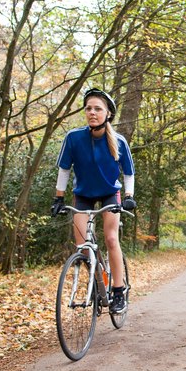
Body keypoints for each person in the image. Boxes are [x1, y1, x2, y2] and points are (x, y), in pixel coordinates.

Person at [50, 88, 136, 314]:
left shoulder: (118, 141)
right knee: (83, 247)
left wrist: (129, 197)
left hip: (110, 193)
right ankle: (97, 284)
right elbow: (64, 169)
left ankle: (118, 291)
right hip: (83, 194)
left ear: (108, 113)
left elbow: (128, 173)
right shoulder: (74, 138)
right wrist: (58, 198)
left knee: (110, 239)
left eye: (98, 108)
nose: (92, 112)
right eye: (88, 108)